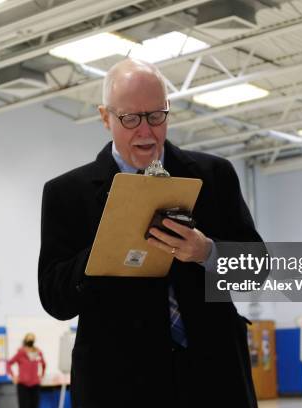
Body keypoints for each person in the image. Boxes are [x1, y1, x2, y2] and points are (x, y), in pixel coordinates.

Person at [38, 58, 265, 408]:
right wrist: (105, 249)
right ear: (105, 117)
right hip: (120, 385)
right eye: (130, 118)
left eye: (157, 116)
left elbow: (256, 270)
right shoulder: (67, 194)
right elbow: (55, 299)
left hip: (215, 379)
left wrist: (206, 252)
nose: (146, 131)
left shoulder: (214, 175)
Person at [6, 333, 46, 408]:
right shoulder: (20, 353)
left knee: (35, 406)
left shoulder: (38, 352)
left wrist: (42, 375)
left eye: (32, 339)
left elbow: (44, 364)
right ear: (25, 340)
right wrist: (13, 376)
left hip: (35, 385)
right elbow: (8, 363)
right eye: (29, 339)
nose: (30, 341)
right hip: (23, 386)